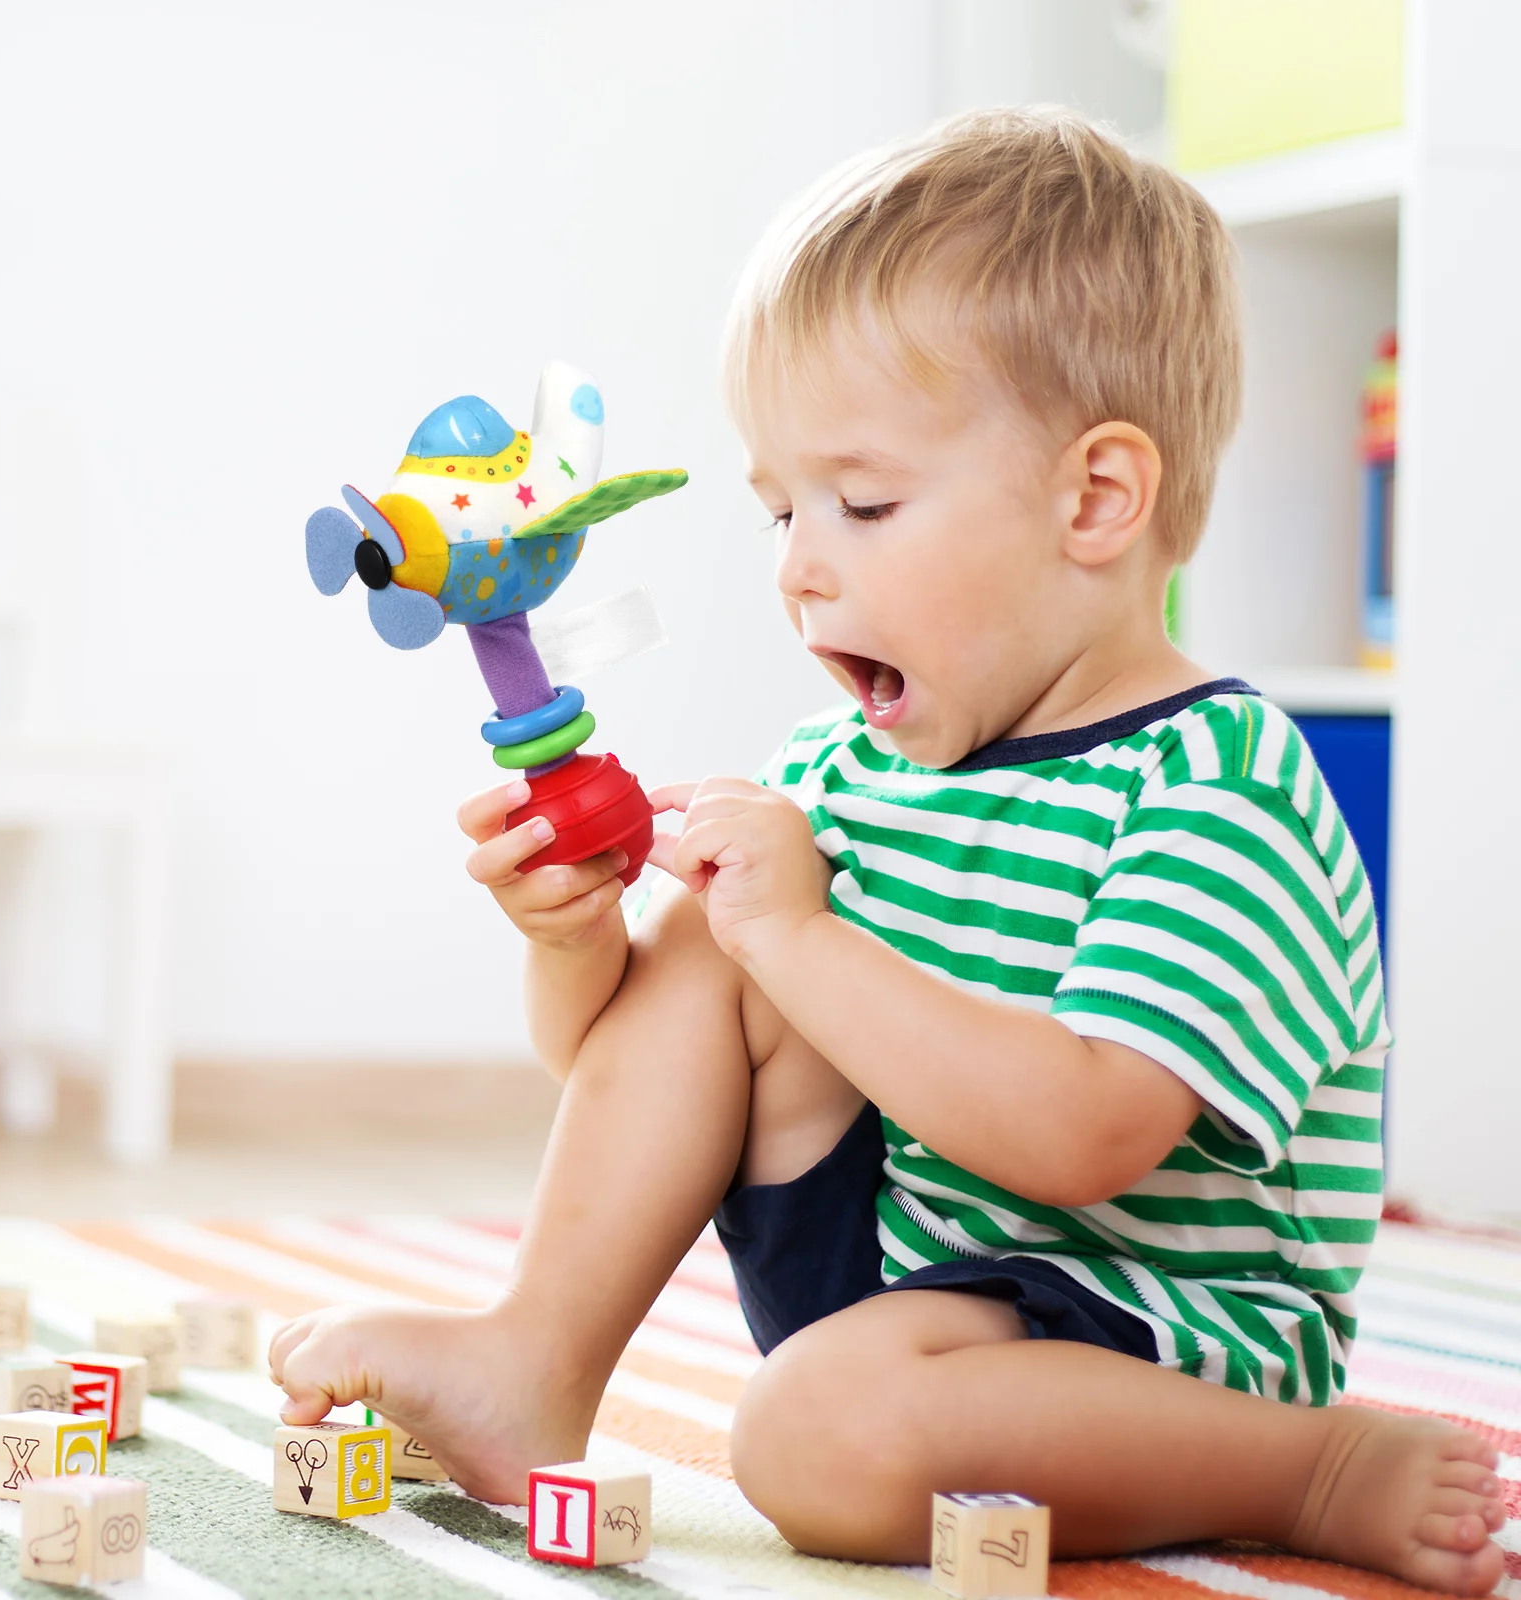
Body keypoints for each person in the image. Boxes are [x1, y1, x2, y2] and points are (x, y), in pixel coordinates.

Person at [270, 108, 1507, 1594]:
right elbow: (619, 1069)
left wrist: (797, 933)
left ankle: (1310, 1468)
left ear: (1097, 501)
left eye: (861, 503)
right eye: (780, 507)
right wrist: (576, 943)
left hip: (1151, 1341)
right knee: (718, 931)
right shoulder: (841, 767)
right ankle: (532, 1358)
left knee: (806, 1442)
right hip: (903, 1297)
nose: (799, 562)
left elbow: (1085, 1135)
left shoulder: (1218, 787)